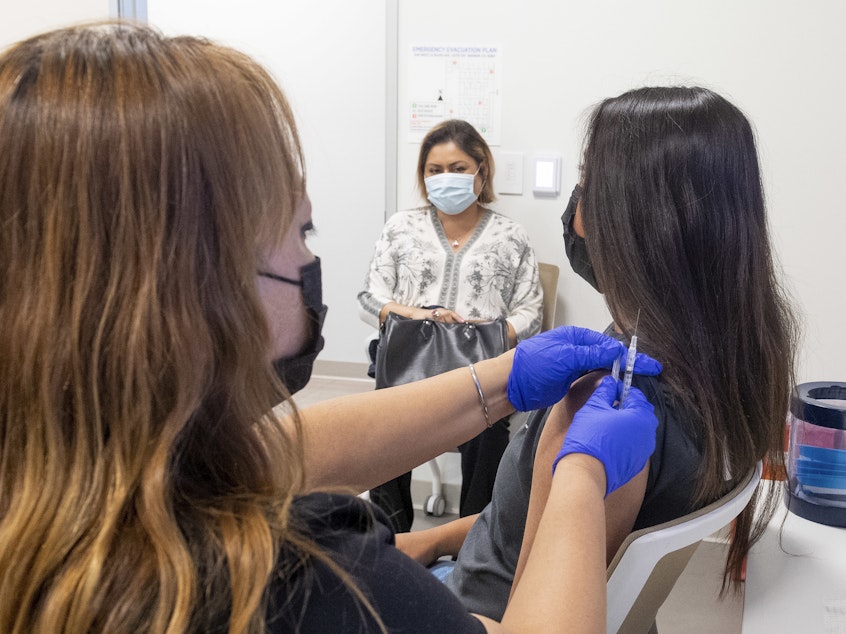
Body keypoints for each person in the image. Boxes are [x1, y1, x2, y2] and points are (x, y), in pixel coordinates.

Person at [0, 22, 665, 633]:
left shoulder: (67, 480)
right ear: (202, 287)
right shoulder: (305, 585)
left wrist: (503, 378)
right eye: (300, 231)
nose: (310, 260)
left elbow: (272, 450)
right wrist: (578, 481)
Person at [398, 86, 798, 621]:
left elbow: (528, 612)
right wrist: (431, 540)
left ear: (639, 219)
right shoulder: (731, 363)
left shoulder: (603, 404)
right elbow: (525, 527)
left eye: (587, 183)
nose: (575, 208)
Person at [357, 119, 543, 531]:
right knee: (385, 431)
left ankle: (470, 542)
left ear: (482, 171)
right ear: (423, 176)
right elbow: (370, 298)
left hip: (481, 369)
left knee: (489, 429)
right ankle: (389, 540)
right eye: (434, 169)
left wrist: (486, 334)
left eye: (458, 168)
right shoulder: (400, 228)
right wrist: (418, 316)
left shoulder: (511, 236)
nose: (446, 178)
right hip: (408, 365)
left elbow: (530, 311)